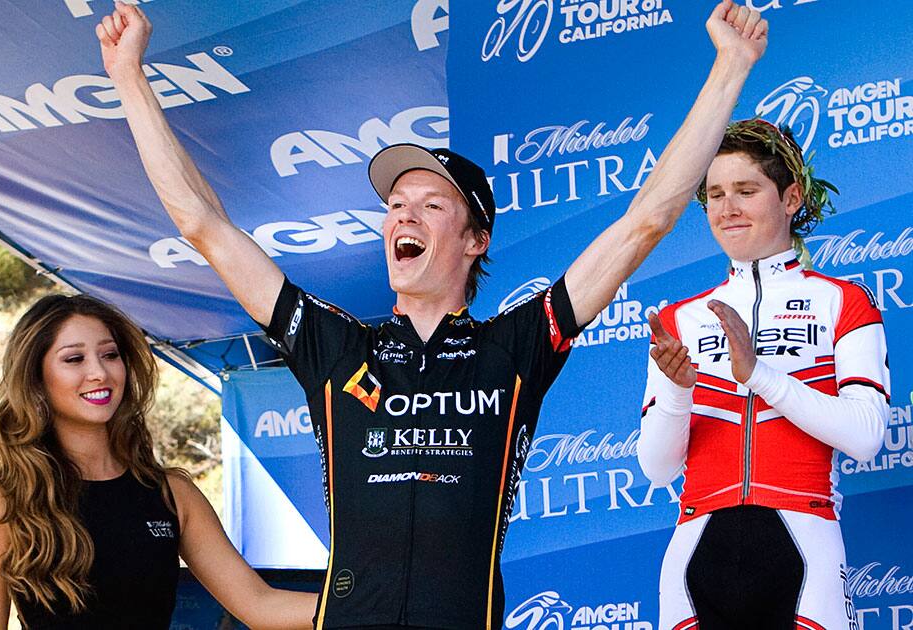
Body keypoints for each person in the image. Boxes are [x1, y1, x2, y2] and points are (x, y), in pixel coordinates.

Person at [96, 1, 768, 627]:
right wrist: (128, 79)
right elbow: (201, 223)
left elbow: (645, 221)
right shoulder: (336, 346)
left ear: (475, 239)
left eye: (430, 204)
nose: (403, 215)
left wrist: (730, 67)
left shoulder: (516, 346)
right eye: (394, 205)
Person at [638, 118, 890, 629]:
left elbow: (866, 437)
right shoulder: (678, 319)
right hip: (695, 548)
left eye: (746, 190)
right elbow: (657, 468)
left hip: (805, 542)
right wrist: (679, 393)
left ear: (792, 197)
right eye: (714, 194)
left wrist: (760, 374)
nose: (727, 208)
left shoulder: (842, 301)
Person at [0, 294, 317, 629]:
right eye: (74, 359)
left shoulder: (172, 494)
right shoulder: (4, 501)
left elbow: (260, 605)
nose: (99, 373)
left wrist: (366, 606)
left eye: (110, 355)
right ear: (36, 379)